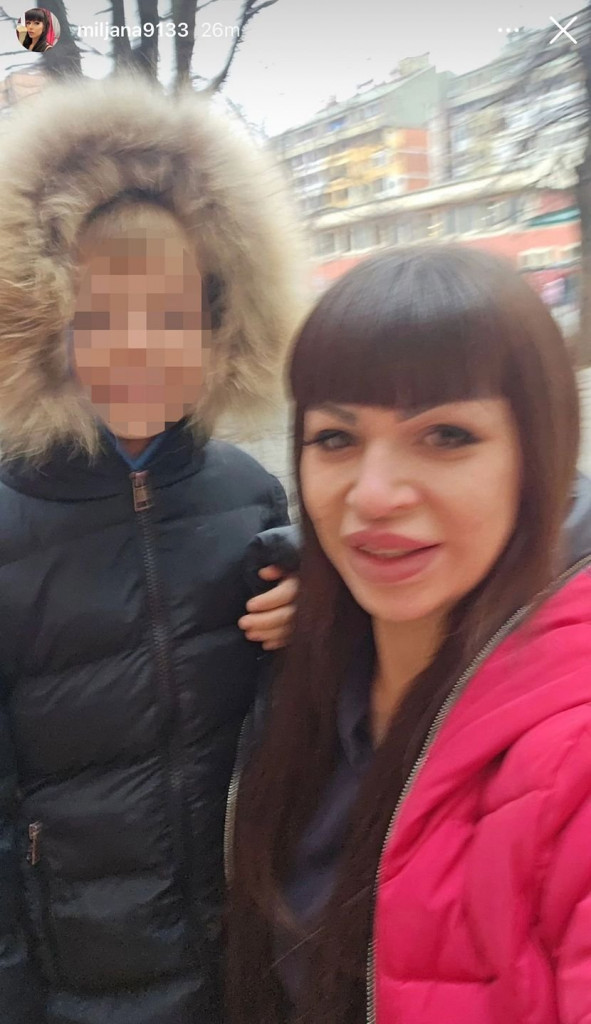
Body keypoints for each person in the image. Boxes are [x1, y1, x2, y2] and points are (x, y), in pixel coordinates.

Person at [0, 77, 301, 1024]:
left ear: (221, 325)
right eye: (97, 319)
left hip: (238, 960)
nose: (139, 347)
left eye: (173, 317)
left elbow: (289, 732)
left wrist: (315, 614)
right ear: (45, 331)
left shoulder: (248, 498)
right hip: (73, 978)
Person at [227, 246, 591, 1024]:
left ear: (539, 456)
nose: (374, 494)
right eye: (336, 438)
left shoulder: (571, 762)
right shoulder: (308, 676)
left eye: (446, 436)